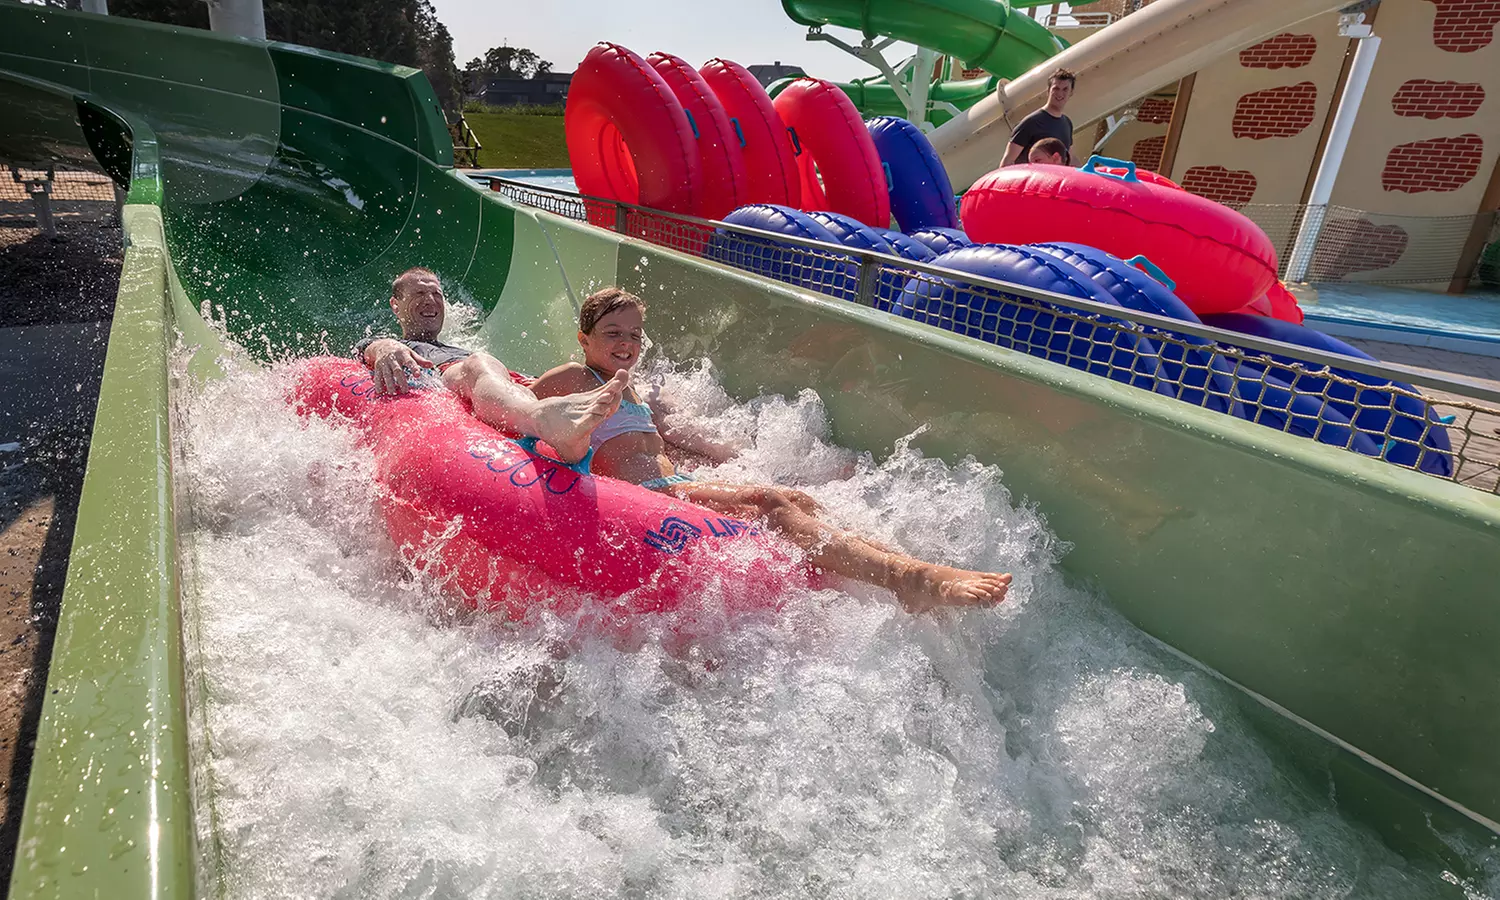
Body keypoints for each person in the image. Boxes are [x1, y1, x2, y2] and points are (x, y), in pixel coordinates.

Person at [531, 288, 1014, 613]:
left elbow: (649, 446)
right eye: (614, 333)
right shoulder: (572, 378)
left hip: (672, 484)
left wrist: (715, 461)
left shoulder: (632, 389)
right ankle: (910, 579)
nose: (627, 343)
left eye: (635, 334)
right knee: (769, 502)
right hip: (646, 497)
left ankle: (900, 565)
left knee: (798, 499)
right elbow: (519, 414)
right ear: (584, 339)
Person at [356, 267, 627, 464]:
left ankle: (573, 443)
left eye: (436, 293)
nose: (430, 300)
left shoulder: (458, 348)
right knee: (479, 361)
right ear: (395, 305)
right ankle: (542, 420)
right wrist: (385, 347)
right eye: (419, 293)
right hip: (455, 376)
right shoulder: (398, 345)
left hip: (501, 383)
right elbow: (368, 348)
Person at [1002, 68, 1075, 167]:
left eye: (1065, 89)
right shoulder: (1031, 122)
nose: (1060, 93)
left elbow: (1071, 159)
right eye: (1056, 88)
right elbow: (1007, 160)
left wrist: (1091, 172)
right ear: (1048, 91)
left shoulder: (1067, 123)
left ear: (1071, 92)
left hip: (1053, 176)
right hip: (1031, 176)